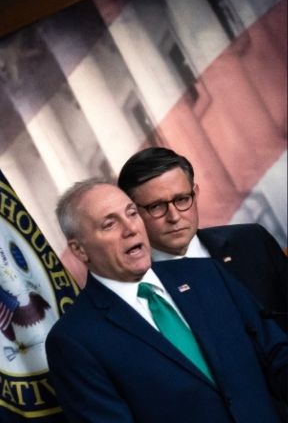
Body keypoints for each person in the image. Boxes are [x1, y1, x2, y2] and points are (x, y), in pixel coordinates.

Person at [46, 181, 288, 423]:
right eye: (109, 224)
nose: (130, 228)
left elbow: (278, 356)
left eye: (132, 213)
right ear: (79, 250)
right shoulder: (73, 341)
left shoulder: (207, 275)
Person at [118, 146, 287, 332]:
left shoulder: (251, 241)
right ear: (132, 214)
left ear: (195, 194)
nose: (174, 216)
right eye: (156, 206)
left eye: (182, 199)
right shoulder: (139, 290)